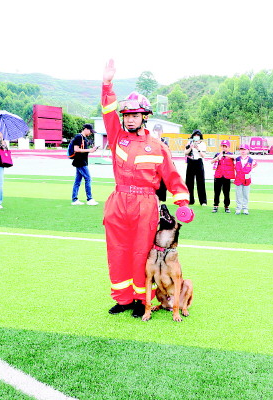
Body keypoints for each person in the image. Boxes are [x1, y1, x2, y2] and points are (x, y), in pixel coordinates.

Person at [101, 59, 191, 318]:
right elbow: (108, 112)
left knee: (142, 253)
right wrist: (107, 84)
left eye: (135, 115)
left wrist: (182, 203)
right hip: (118, 201)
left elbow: (172, 176)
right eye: (127, 115)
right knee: (117, 251)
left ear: (144, 117)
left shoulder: (158, 146)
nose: (129, 119)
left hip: (145, 204)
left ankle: (142, 300)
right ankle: (123, 298)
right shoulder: (117, 137)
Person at [71, 123, 99, 206]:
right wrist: (89, 150)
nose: (91, 133)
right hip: (80, 162)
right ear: (86, 129)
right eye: (90, 131)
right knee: (88, 179)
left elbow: (83, 150)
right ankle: (89, 199)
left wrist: (91, 150)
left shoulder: (84, 138)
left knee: (77, 181)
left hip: (81, 161)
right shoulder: (79, 137)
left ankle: (74, 199)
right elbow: (76, 149)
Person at [211, 140, 235, 213]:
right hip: (218, 175)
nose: (224, 148)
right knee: (217, 192)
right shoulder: (218, 154)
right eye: (223, 146)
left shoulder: (231, 155)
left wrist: (226, 155)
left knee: (226, 192)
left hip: (227, 176)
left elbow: (236, 158)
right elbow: (212, 161)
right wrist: (219, 156)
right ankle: (215, 206)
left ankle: (226, 206)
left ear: (228, 147)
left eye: (225, 146)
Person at [184, 129, 207, 206]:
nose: (196, 137)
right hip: (191, 162)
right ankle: (190, 200)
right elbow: (185, 152)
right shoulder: (189, 142)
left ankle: (203, 201)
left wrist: (198, 149)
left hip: (198, 162)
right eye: (195, 135)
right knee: (189, 182)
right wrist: (190, 148)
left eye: (198, 135)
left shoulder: (202, 144)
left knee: (200, 182)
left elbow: (203, 155)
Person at [233, 144, 257, 215]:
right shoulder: (236, 159)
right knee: (238, 194)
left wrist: (250, 170)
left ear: (248, 150)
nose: (243, 151)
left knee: (246, 194)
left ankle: (245, 208)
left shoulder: (251, 160)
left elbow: (255, 165)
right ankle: (238, 208)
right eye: (241, 149)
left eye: (244, 149)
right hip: (238, 178)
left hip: (247, 178)